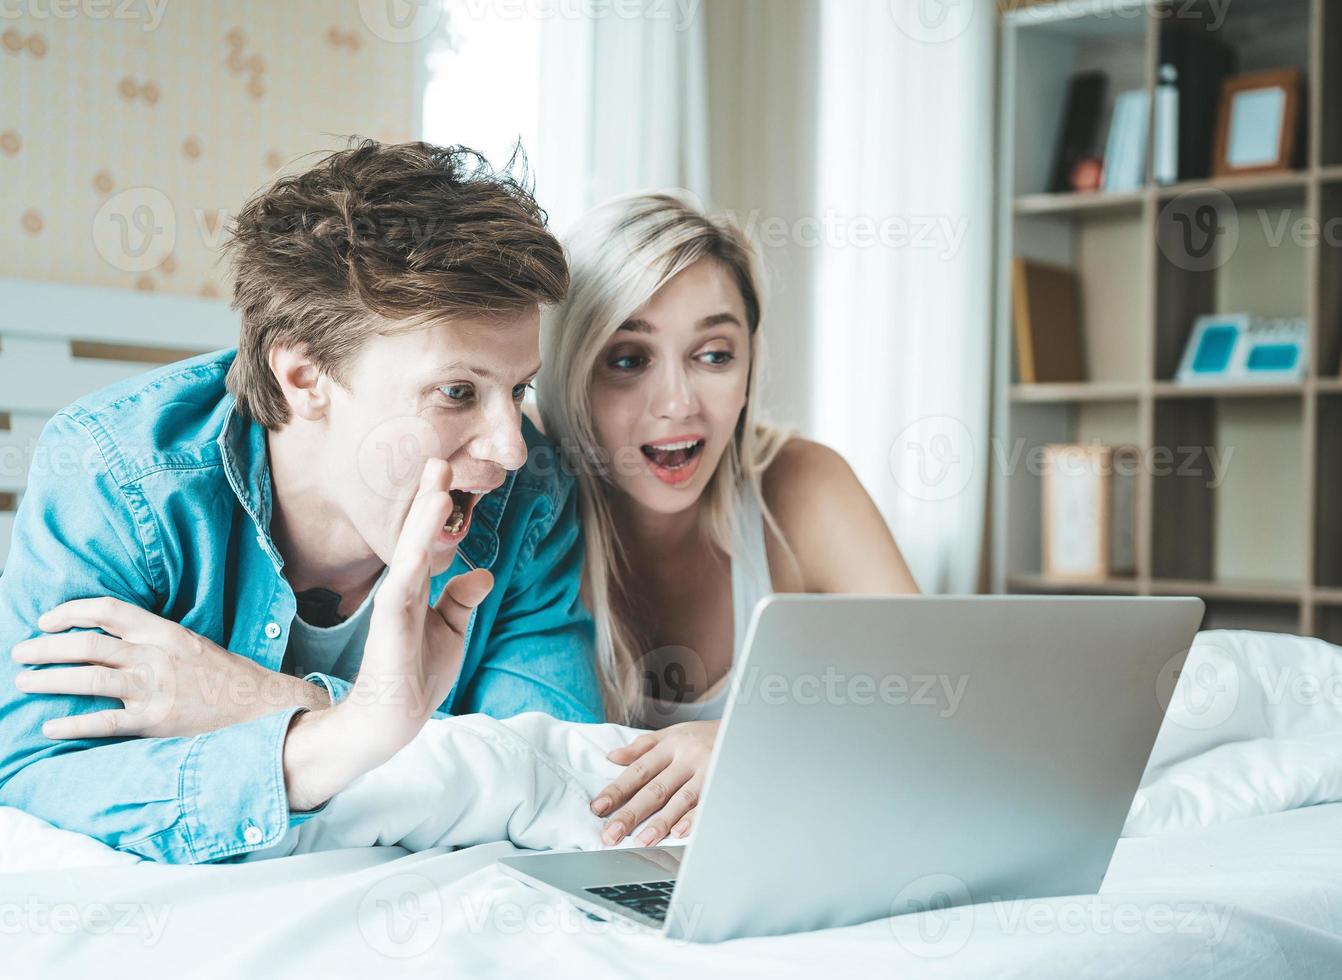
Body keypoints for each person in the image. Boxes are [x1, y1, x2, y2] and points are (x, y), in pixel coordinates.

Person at [0, 140, 602, 864]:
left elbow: (559, 780)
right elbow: (33, 777)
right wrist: (351, 733)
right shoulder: (117, 475)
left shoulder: (530, 496)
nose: (509, 447)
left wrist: (262, 701)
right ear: (305, 375)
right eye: (457, 392)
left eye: (519, 389)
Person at [535, 190, 920, 849]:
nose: (678, 404)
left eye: (714, 355)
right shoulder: (523, 501)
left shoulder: (803, 487)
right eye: (629, 360)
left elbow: (936, 701)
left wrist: (749, 747)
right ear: (571, 372)